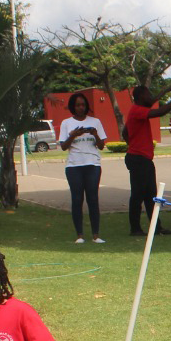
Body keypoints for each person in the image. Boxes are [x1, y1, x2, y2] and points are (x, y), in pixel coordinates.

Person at [123, 85, 171, 237]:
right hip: (139, 159)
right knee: (138, 194)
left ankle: (155, 227)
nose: (151, 96)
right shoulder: (137, 110)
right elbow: (160, 111)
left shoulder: (136, 111)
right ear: (140, 97)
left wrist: (166, 89)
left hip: (142, 158)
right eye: (148, 93)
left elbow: (125, 132)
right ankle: (135, 229)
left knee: (150, 195)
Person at [57, 92, 106, 244]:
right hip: (74, 166)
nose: (81, 108)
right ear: (73, 106)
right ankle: (79, 235)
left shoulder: (95, 121)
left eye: (83, 105)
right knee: (77, 199)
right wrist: (73, 135)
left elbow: (101, 146)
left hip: (92, 164)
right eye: (78, 105)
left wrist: (95, 134)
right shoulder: (66, 123)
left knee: (93, 199)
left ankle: (96, 235)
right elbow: (64, 146)